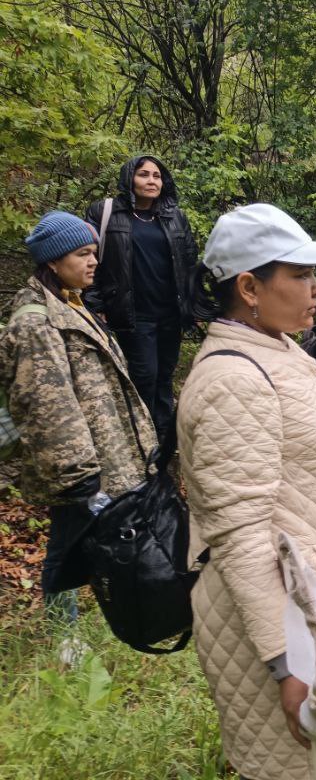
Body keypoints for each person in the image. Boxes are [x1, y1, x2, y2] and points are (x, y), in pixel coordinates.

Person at [177, 204, 316, 780]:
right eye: (300, 275)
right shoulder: (235, 380)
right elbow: (240, 536)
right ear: (249, 287)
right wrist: (286, 665)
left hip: (312, 605)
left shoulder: (279, 349)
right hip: (282, 626)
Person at [0, 212, 155, 644]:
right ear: (52, 261)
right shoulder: (35, 321)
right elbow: (47, 406)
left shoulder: (72, 304)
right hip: (79, 465)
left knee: (85, 548)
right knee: (66, 552)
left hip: (103, 456)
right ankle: (64, 645)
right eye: (82, 254)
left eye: (94, 253)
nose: (93, 263)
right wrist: (78, 475)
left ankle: (117, 625)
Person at [84, 155, 198, 451]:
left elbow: (189, 263)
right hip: (132, 313)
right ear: (129, 179)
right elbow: (90, 260)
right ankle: (141, 439)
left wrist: (193, 305)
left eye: (157, 176)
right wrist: (96, 306)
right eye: (144, 174)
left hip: (170, 313)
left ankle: (163, 439)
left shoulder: (175, 217)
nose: (151, 181)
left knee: (164, 376)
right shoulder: (105, 213)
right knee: (144, 375)